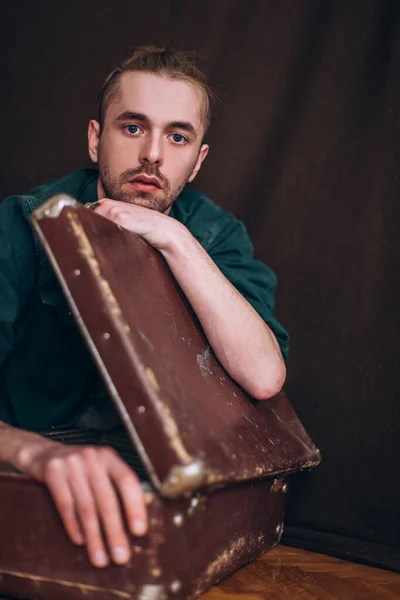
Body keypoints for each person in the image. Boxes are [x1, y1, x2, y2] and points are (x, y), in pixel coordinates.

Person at [0, 46, 288, 569]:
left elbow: (265, 376)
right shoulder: (20, 222)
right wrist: (34, 454)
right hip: (40, 462)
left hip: (163, 481)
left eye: (177, 137)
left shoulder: (214, 236)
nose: (153, 154)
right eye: (132, 128)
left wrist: (173, 238)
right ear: (95, 138)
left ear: (198, 160)